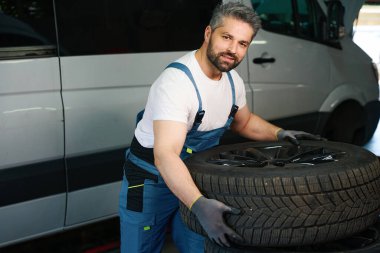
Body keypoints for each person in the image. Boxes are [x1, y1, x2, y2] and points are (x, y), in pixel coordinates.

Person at [119, 2, 320, 253]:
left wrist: (279, 133)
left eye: (242, 43)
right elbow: (165, 155)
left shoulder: (233, 81)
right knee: (141, 248)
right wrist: (199, 204)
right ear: (208, 33)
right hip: (152, 181)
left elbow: (244, 122)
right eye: (227, 37)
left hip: (195, 177)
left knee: (199, 246)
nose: (232, 50)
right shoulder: (177, 83)